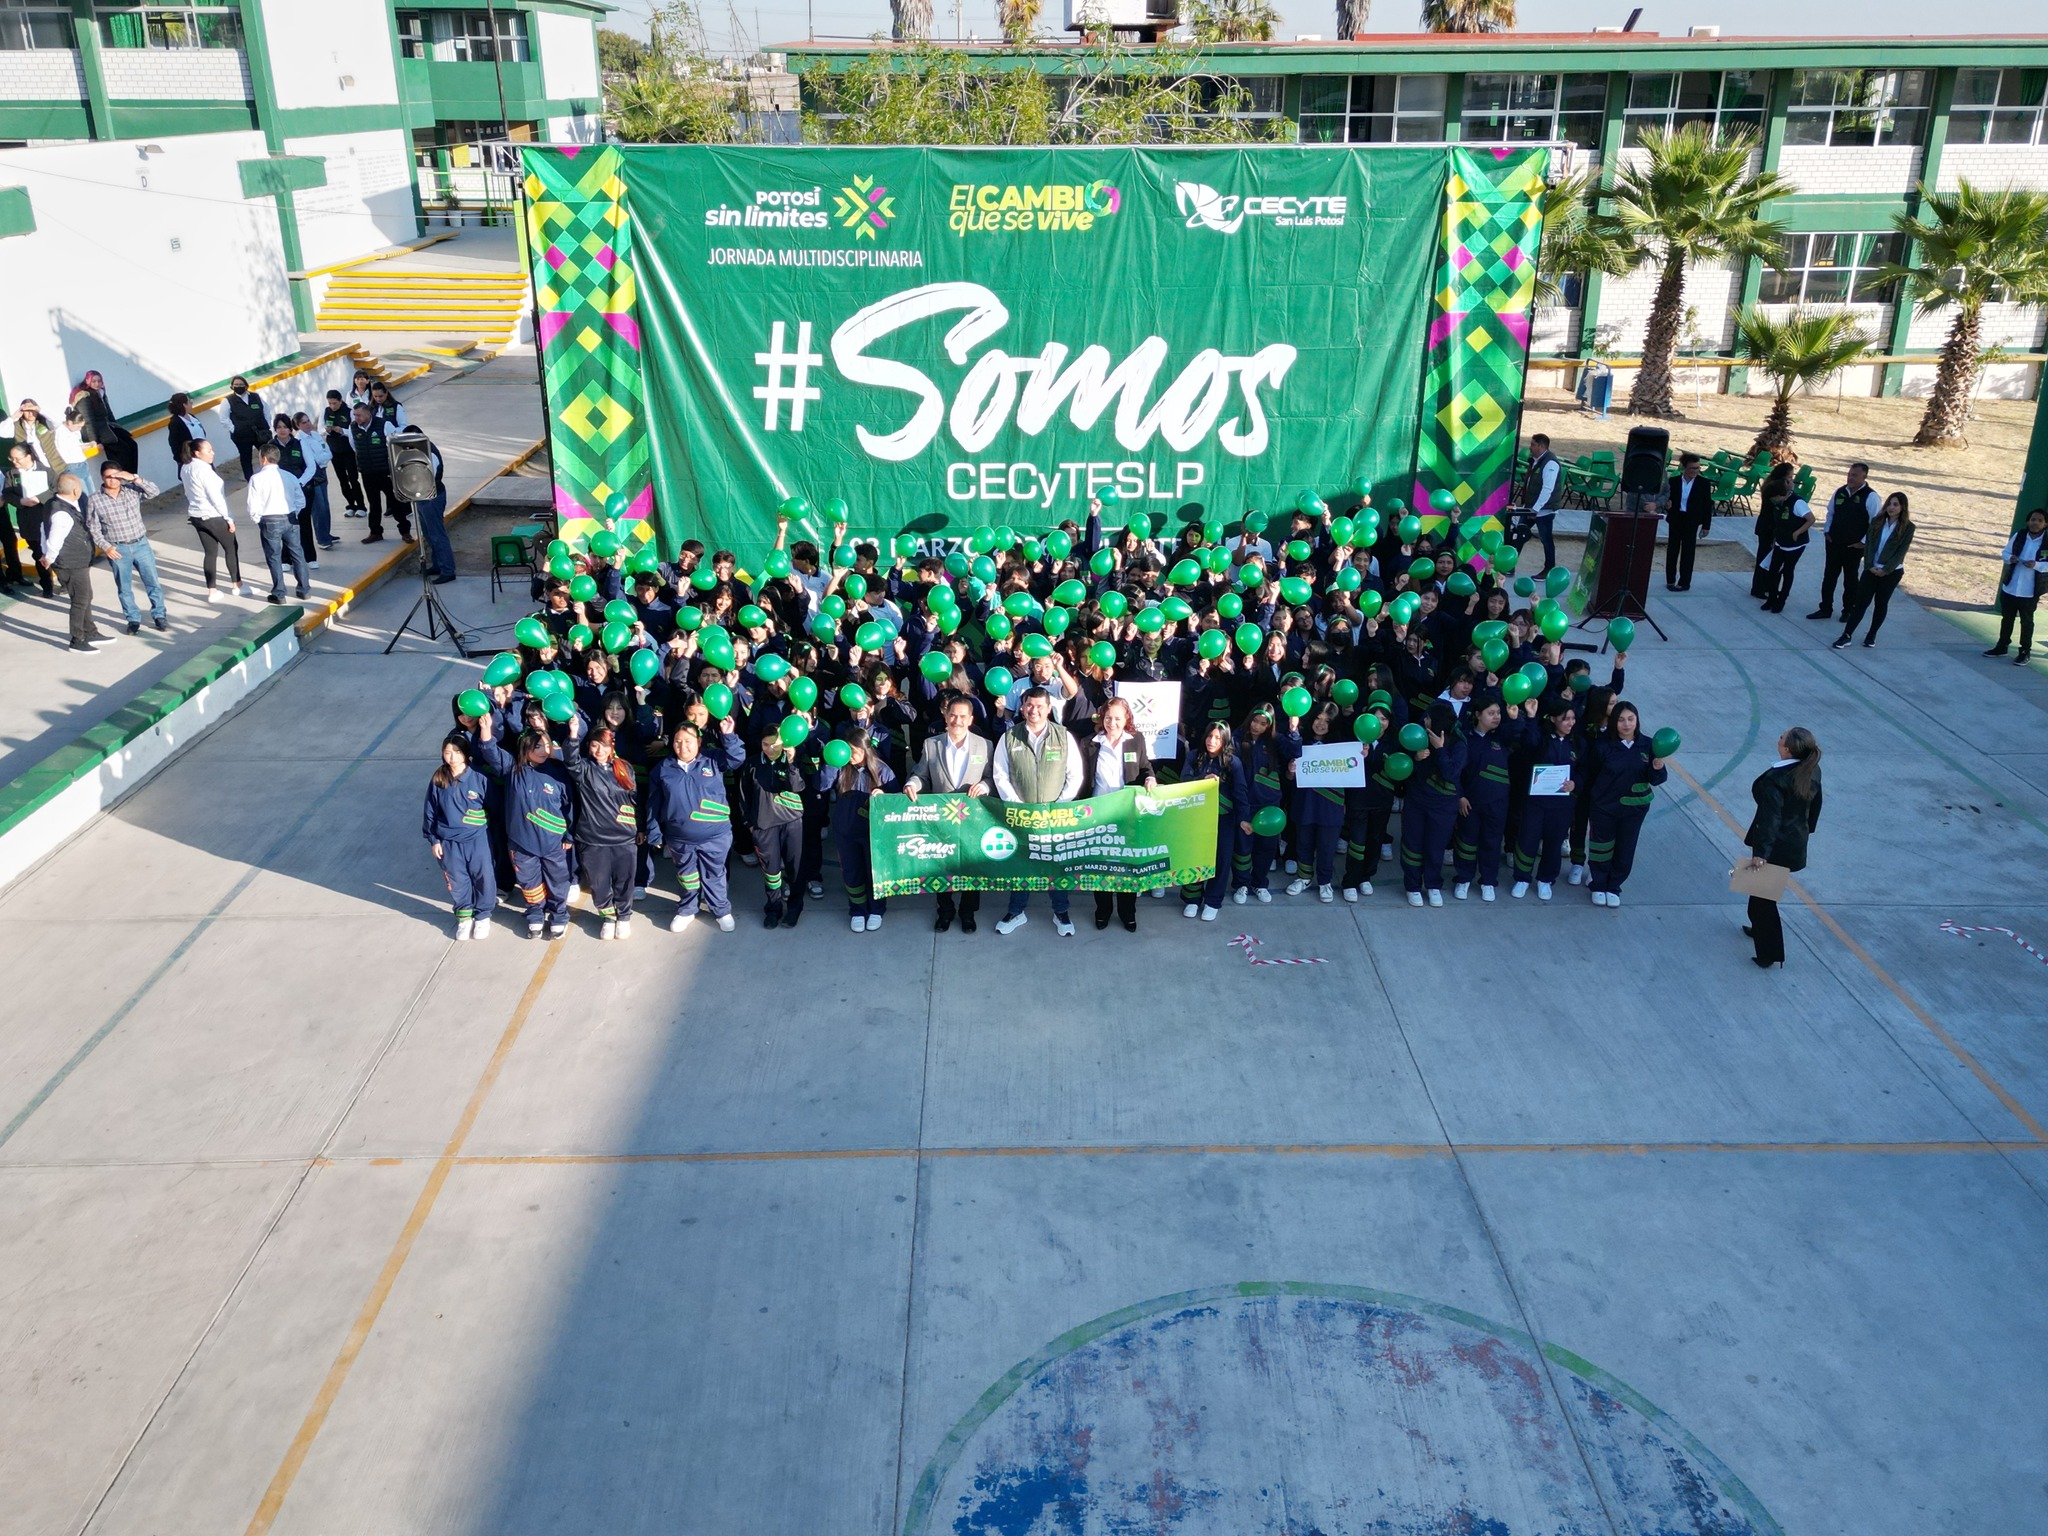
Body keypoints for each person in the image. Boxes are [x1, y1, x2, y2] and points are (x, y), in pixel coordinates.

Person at [992, 686, 1082, 936]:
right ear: (1022, 708)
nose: (1034, 710)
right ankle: (1016, 911)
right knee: (1022, 864)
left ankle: (1061, 912)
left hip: (1055, 816)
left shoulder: (1063, 736)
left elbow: (1075, 775)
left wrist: (1059, 806)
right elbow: (1000, 775)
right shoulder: (1009, 737)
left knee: (1056, 864)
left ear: (1049, 709)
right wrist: (1016, 806)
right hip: (1022, 815)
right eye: (1029, 705)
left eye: (1040, 706)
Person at [474, 718, 574, 940]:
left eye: (546, 745)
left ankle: (558, 916)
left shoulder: (558, 772)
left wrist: (569, 835)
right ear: (525, 748)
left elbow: (569, 806)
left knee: (558, 882)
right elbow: (490, 751)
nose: (543, 750)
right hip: (521, 844)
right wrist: (485, 729)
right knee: (529, 883)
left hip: (553, 842)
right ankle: (535, 914)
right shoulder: (513, 770)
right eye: (537, 746)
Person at [902, 694, 993, 932]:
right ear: (945, 716)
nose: (957, 721)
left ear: (970, 719)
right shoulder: (931, 744)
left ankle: (968, 913)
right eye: (953, 715)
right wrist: (912, 784)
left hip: (972, 820)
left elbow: (992, 777)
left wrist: (985, 786)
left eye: (963, 716)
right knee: (942, 867)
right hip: (941, 820)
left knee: (971, 867)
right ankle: (945, 911)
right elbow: (921, 774)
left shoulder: (985, 745)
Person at [646, 716, 746, 932]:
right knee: (687, 875)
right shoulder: (663, 769)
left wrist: (729, 736)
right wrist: (654, 831)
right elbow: (654, 803)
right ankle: (688, 909)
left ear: (699, 742)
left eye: (688, 741)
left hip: (715, 835)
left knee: (714, 874)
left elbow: (736, 758)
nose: (683, 746)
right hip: (679, 837)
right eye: (678, 741)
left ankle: (721, 910)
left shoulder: (712, 759)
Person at [1741, 727, 1823, 970]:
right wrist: (1807, 829)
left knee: (1763, 901)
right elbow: (1815, 804)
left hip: (1774, 846)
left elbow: (1770, 819)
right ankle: (1757, 928)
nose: (1778, 739)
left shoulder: (1775, 780)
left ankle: (1769, 952)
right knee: (1759, 892)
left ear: (1787, 749)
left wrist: (1761, 854)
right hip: (1793, 842)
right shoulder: (1811, 769)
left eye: (1781, 737)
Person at [1582, 700, 1668, 907]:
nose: (1626, 724)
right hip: (1604, 807)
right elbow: (1591, 775)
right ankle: (1598, 884)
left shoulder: (1649, 746)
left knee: (1625, 848)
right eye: (1621, 720)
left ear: (1637, 720)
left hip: (1634, 809)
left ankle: (1614, 887)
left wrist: (1657, 767)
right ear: (1614, 722)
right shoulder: (1603, 746)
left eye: (1631, 719)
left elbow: (1656, 779)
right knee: (1601, 847)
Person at [1081, 695, 1156, 930]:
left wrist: (1150, 777)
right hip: (1098, 815)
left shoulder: (1136, 740)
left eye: (1117, 718)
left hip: (1127, 814)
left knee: (1127, 864)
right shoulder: (1089, 743)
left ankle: (1127, 912)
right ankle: (1103, 911)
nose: (1112, 723)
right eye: (1108, 718)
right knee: (1100, 865)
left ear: (1126, 720)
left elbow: (1145, 767)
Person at [567, 724, 641, 940]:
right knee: (599, 884)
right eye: (594, 745)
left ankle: (624, 916)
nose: (599, 750)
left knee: (625, 881)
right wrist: (573, 735)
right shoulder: (584, 769)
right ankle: (608, 917)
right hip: (593, 839)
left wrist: (641, 827)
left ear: (612, 746)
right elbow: (570, 760)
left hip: (624, 838)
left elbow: (635, 800)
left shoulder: (624, 768)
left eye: (604, 745)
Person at [423, 733, 497, 940]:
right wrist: (434, 840)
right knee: (457, 879)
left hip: (477, 839)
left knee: (484, 877)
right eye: (448, 752)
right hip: (449, 841)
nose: (452, 757)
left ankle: (482, 916)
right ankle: (464, 917)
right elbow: (430, 812)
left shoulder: (480, 777)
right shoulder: (439, 779)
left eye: (457, 752)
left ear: (466, 753)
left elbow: (495, 808)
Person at [83, 462, 168, 634]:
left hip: (140, 544)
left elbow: (154, 491)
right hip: (118, 549)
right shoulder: (95, 499)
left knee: (152, 582)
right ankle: (133, 619)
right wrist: (106, 547)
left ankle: (159, 615)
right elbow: (93, 527)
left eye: (116, 476)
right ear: (102, 478)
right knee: (124, 587)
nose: (113, 480)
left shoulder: (132, 491)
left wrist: (134, 478)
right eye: (108, 477)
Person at [40, 473, 119, 653]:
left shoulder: (52, 504)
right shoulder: (62, 514)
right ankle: (77, 639)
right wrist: (49, 558)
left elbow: (43, 529)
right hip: (70, 563)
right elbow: (54, 540)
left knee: (86, 596)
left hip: (77, 561)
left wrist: (46, 553)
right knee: (80, 600)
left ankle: (90, 631)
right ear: (75, 491)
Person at [825, 728, 895, 932]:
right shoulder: (841, 767)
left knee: (874, 873)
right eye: (848, 750)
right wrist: (830, 764)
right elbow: (821, 785)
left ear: (865, 750)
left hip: (874, 835)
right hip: (846, 832)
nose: (851, 756)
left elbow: (897, 802)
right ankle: (857, 910)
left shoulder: (882, 770)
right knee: (851, 872)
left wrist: (883, 796)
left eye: (854, 751)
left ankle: (877, 909)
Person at [1508, 696, 1576, 900]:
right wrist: (1531, 717)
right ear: (1553, 719)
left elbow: (1583, 770)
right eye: (1565, 719)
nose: (1570, 723)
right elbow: (1529, 743)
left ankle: (1546, 879)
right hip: (1535, 803)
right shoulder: (1542, 737)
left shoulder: (1577, 742)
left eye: (1573, 718)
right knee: (1527, 839)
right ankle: (1522, 878)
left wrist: (1575, 784)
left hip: (1562, 804)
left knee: (1554, 843)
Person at [1401, 702, 1466, 907]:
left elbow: (1451, 773)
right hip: (1417, 801)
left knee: (1435, 847)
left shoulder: (1459, 744)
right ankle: (1412, 885)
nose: (1425, 720)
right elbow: (1405, 769)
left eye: (1429, 717)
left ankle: (1433, 885)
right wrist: (1416, 758)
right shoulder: (1419, 738)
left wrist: (1439, 749)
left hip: (1443, 805)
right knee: (1412, 844)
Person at [1182, 718, 1247, 921]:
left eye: (1218, 738)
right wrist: (1202, 781)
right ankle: (1192, 898)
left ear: (1225, 740)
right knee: (1194, 857)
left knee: (1221, 859)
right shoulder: (1194, 756)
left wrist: (1243, 819)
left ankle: (1213, 901)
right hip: (1197, 817)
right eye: (1210, 736)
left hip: (1224, 819)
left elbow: (1240, 793)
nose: (1212, 741)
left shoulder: (1233, 762)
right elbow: (1183, 781)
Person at [1833, 492, 1914, 651]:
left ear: (1902, 507)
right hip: (1871, 569)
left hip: (1891, 572)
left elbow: (1901, 552)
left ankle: (1871, 634)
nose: (1891, 507)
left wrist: (1886, 569)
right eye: (1889, 504)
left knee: (1881, 603)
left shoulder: (1908, 528)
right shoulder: (1877, 521)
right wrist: (1869, 565)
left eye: (1895, 504)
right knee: (1861, 603)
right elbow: (1869, 544)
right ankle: (1847, 635)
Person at [179, 439, 251, 601]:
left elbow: (187, 492)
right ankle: (237, 585)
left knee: (210, 553)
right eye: (208, 451)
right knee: (231, 548)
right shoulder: (204, 471)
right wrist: (229, 518)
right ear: (197, 453)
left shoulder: (186, 467)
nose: (213, 453)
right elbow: (216, 498)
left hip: (197, 515)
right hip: (213, 515)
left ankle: (212, 591)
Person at [1808, 462, 1878, 622]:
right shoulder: (1840, 492)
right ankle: (1825, 608)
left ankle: (1848, 610)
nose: (1850, 478)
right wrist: (1827, 531)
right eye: (1849, 474)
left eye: (1855, 475)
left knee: (1850, 579)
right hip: (1834, 543)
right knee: (1829, 576)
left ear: (1864, 477)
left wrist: (1863, 542)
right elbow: (1830, 513)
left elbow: (1875, 523)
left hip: (1853, 547)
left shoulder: (1871, 497)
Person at [246, 443, 310, 605]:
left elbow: (253, 504)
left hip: (270, 519)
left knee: (274, 557)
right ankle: (304, 589)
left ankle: (279, 593)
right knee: (297, 553)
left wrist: (257, 519)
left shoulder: (256, 479)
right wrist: (294, 512)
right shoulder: (289, 476)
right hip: (290, 517)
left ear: (263, 459)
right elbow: (300, 500)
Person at [1984, 508, 2046, 666]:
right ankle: (2002, 646)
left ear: (2045, 524)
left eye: (2040, 520)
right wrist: (2010, 558)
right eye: (2033, 519)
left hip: (2029, 591)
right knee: (2007, 618)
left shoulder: (2046, 541)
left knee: (2026, 622)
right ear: (2028, 521)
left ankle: (2024, 651)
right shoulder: (2019, 536)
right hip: (2011, 586)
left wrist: (2036, 565)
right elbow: (2005, 553)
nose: (2035, 523)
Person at [1755, 464, 1814, 614]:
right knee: (1773, 571)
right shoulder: (1778, 504)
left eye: (1775, 498)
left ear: (1782, 494)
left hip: (1795, 545)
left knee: (1787, 572)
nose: (1774, 500)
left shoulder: (1797, 502)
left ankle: (1781, 600)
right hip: (1781, 542)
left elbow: (1811, 519)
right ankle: (1771, 598)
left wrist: (1797, 532)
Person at [349, 402, 410, 544]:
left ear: (368, 414)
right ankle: (375, 532)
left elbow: (394, 445)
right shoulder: (353, 427)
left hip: (385, 472)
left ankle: (405, 531)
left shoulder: (384, 425)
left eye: (359, 415)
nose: (356, 418)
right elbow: (354, 446)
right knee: (374, 504)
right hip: (367, 473)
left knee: (395, 502)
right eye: (355, 415)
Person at [403, 426, 455, 584]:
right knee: (429, 533)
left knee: (437, 535)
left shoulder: (429, 453)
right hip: (423, 497)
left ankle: (448, 570)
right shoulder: (418, 451)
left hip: (432, 498)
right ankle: (438, 565)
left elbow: (425, 476)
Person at [4, 440, 54, 594]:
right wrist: (20, 501)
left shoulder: (45, 471)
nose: (14, 462)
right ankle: (46, 584)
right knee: (38, 553)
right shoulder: (12, 474)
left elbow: (56, 488)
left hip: (45, 517)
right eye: (11, 458)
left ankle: (61, 582)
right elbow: (8, 494)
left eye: (17, 458)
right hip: (27, 520)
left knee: (52, 551)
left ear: (28, 456)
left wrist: (40, 498)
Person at [69, 370, 139, 473]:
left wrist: (117, 428)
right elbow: (89, 421)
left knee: (132, 444)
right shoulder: (84, 397)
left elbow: (109, 413)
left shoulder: (100, 393)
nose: (97, 384)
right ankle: (121, 475)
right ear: (87, 381)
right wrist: (94, 441)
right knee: (122, 450)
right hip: (97, 433)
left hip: (107, 428)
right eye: (94, 381)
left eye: (99, 381)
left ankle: (132, 475)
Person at [1664, 451, 1714, 591]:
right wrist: (1666, 505)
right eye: (1692, 468)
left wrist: (1706, 526)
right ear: (1684, 467)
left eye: (1697, 468)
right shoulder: (1673, 481)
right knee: (1672, 550)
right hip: (1676, 518)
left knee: (1688, 552)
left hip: (1692, 520)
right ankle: (1670, 579)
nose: (1695, 471)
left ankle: (1684, 582)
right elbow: (1667, 498)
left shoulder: (1703, 483)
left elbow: (1707, 506)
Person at [1517, 432, 1563, 575]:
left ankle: (1549, 569)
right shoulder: (1536, 461)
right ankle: (1509, 565)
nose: (1530, 447)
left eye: (1533, 445)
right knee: (1519, 534)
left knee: (1546, 540)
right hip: (1531, 508)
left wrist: (1535, 509)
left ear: (1541, 446)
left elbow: (1547, 489)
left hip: (1544, 510)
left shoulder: (1550, 463)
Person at [293, 410, 338, 551]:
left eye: (308, 421)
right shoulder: (300, 440)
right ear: (298, 425)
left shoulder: (315, 435)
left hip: (322, 472)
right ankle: (322, 538)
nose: (308, 424)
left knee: (325, 505)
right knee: (319, 507)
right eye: (304, 423)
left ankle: (326, 534)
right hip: (313, 475)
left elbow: (328, 452)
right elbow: (313, 460)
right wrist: (322, 458)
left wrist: (322, 458)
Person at [323, 389, 365, 518]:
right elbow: (320, 428)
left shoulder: (349, 412)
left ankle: (361, 506)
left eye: (334, 403)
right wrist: (327, 430)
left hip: (347, 449)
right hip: (334, 450)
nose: (332, 406)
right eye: (330, 403)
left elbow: (354, 429)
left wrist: (342, 431)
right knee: (342, 479)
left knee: (353, 478)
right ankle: (351, 504)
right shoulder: (326, 412)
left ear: (340, 401)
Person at [224, 375, 268, 479]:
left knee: (267, 455)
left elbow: (266, 410)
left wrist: (266, 425)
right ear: (232, 387)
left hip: (260, 434)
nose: (238, 386)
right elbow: (224, 419)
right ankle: (250, 480)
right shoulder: (228, 401)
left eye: (241, 384)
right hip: (242, 436)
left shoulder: (255, 397)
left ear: (246, 385)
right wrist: (234, 429)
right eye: (236, 385)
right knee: (246, 459)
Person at [165, 392, 209, 464]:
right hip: (191, 459)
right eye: (189, 401)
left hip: (203, 455)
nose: (191, 402)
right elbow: (174, 444)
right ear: (184, 405)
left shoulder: (192, 417)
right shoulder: (175, 423)